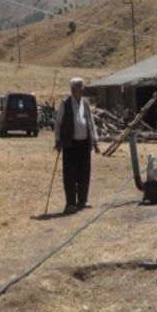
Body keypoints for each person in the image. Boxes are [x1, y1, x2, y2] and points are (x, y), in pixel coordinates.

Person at [54, 78, 99, 214]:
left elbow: (90, 122)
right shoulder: (65, 104)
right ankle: (70, 203)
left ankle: (82, 200)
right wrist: (57, 141)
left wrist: (95, 141)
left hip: (84, 144)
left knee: (84, 173)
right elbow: (58, 123)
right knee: (70, 175)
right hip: (70, 145)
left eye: (83, 87)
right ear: (74, 89)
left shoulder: (85, 104)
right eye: (81, 87)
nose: (83, 90)